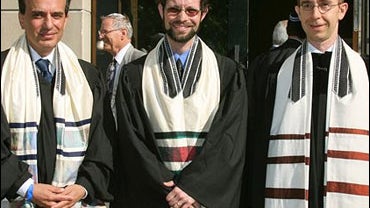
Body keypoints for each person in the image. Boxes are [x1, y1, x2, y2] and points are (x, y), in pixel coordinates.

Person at [111, 0, 248, 207]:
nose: (182, 18)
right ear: (161, 10)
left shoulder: (227, 73)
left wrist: (193, 188)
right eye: (174, 9)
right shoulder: (134, 74)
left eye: (191, 10)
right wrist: (166, 185)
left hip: (202, 199)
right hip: (156, 196)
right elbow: (132, 141)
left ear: (203, 13)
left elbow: (230, 139)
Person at [245, 0, 369, 207]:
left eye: (325, 5)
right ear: (298, 12)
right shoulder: (272, 72)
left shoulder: (363, 72)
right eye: (307, 6)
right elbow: (254, 145)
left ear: (342, 10)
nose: (315, 14)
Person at [1, 0, 113, 207]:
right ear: (21, 18)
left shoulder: (88, 77)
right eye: (38, 15)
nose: (48, 25)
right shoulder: (3, 73)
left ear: (66, 18)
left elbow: (101, 145)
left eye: (56, 15)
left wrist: (83, 186)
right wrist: (26, 188)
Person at [98, 13, 146, 127]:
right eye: (100, 32)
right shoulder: (111, 67)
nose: (100, 36)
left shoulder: (140, 62)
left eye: (105, 32)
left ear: (123, 34)